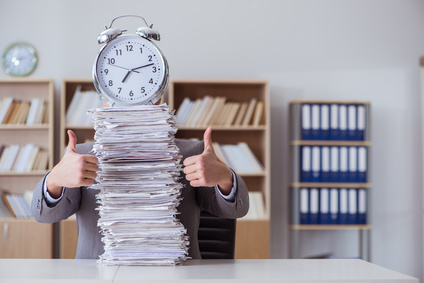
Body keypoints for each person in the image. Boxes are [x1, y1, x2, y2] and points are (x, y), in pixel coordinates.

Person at [31, 117, 249, 259]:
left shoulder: (193, 152)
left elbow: (235, 210)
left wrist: (224, 177)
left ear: (159, 99)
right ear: (105, 103)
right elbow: (43, 215)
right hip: (98, 276)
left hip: (177, 275)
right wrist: (54, 180)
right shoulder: (80, 155)